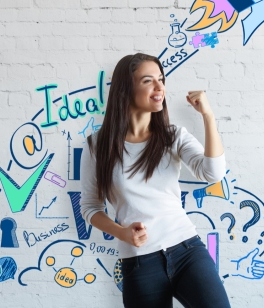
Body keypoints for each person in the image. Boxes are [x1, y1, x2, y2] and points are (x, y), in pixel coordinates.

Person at [80, 53, 231, 308]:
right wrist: (122, 233)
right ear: (126, 88)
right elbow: (90, 207)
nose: (160, 87)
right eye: (148, 80)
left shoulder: (173, 137)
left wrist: (208, 117)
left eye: (161, 79)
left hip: (187, 251)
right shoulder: (98, 145)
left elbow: (212, 173)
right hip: (139, 262)